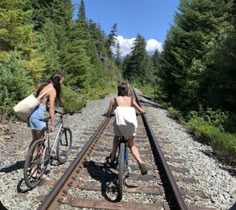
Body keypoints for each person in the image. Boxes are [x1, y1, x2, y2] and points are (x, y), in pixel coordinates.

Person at [104, 83, 148, 175]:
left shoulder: (114, 100)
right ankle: (140, 162)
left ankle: (112, 159)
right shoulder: (131, 100)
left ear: (119, 90)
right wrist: (142, 112)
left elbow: (109, 113)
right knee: (132, 145)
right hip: (130, 125)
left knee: (116, 138)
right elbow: (140, 110)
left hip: (119, 124)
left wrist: (108, 114)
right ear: (127, 90)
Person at [28, 73, 64, 144]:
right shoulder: (52, 90)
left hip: (32, 115)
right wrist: (53, 125)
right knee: (42, 142)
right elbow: (51, 108)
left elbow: (42, 102)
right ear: (58, 81)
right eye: (61, 81)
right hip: (38, 116)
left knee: (35, 140)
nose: (61, 84)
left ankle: (30, 155)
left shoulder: (45, 86)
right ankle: (39, 154)